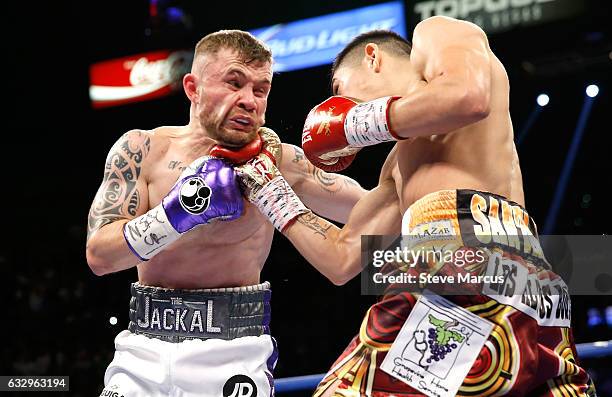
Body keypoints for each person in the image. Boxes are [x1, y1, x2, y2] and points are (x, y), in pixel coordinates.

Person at [234, 17, 596, 397]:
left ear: (372, 58)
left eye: (342, 91)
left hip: (460, 265)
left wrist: (353, 124)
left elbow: (467, 98)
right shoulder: (398, 165)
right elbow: (341, 260)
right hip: (530, 289)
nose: (345, 106)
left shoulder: (437, 33)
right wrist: (270, 191)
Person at [85, 30, 367, 397]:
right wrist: (179, 213)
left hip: (233, 357)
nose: (249, 100)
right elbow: (99, 257)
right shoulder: (142, 149)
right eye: (234, 83)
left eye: (260, 89)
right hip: (141, 353)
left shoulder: (279, 162)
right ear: (193, 87)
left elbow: (376, 210)